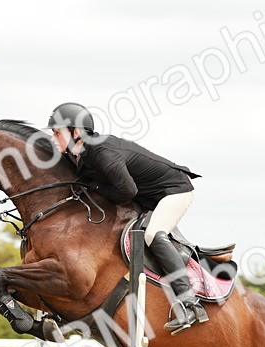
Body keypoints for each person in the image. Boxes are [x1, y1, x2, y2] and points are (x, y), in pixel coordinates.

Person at [48, 102, 207, 334]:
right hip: (147, 198)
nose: (53, 138)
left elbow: (127, 191)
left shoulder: (102, 152)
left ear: (76, 133)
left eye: (57, 132)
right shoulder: (77, 153)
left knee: (153, 234)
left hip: (174, 191)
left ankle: (190, 303)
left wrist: (94, 186)